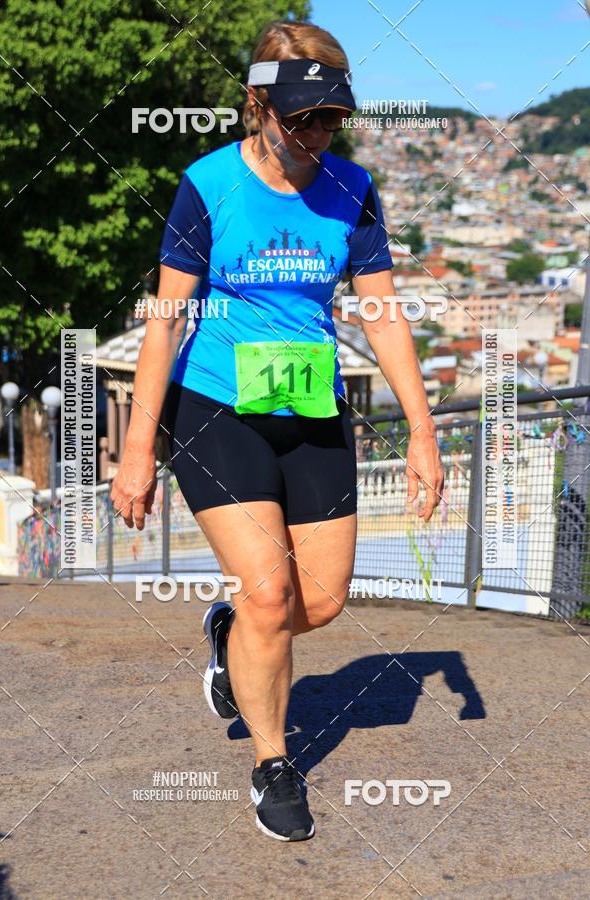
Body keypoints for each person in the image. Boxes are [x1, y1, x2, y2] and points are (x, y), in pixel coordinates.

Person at [110, 19, 444, 842]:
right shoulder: (208, 183)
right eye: (302, 119)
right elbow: (166, 317)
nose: (316, 135)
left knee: (319, 603)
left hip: (312, 411)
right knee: (269, 593)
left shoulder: (353, 189)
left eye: (331, 119)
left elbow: (384, 314)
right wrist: (137, 450)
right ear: (257, 105)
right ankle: (272, 761)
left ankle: (231, 633)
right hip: (217, 408)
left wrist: (423, 431)